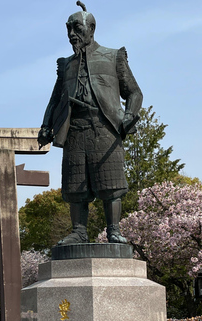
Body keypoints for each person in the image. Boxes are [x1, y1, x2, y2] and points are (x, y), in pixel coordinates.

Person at [37, 2, 143, 245]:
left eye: (76, 28)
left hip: (105, 127)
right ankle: (79, 231)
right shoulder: (66, 65)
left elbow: (135, 93)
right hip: (74, 129)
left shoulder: (113, 57)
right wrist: (46, 126)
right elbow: (55, 100)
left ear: (91, 28)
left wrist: (129, 116)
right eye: (68, 30)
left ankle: (113, 229)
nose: (72, 34)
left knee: (110, 183)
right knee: (76, 186)